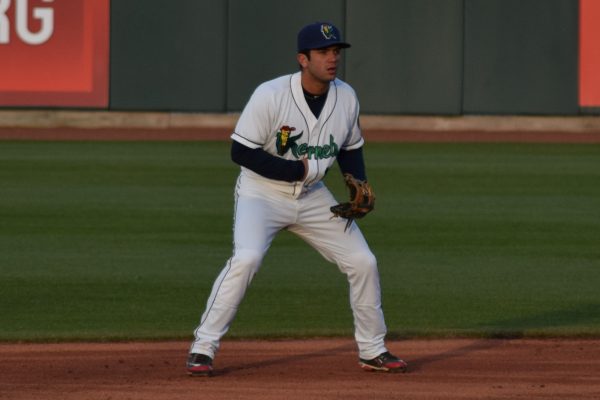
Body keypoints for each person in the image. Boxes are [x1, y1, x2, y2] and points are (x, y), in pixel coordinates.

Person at [187, 22, 407, 376]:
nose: (332, 58)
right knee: (246, 258)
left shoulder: (346, 96)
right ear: (303, 59)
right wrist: (295, 171)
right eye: (323, 52)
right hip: (261, 194)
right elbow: (240, 152)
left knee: (363, 261)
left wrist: (358, 184)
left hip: (313, 197)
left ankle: (372, 349)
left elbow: (351, 148)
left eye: (336, 51)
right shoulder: (270, 94)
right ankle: (203, 348)